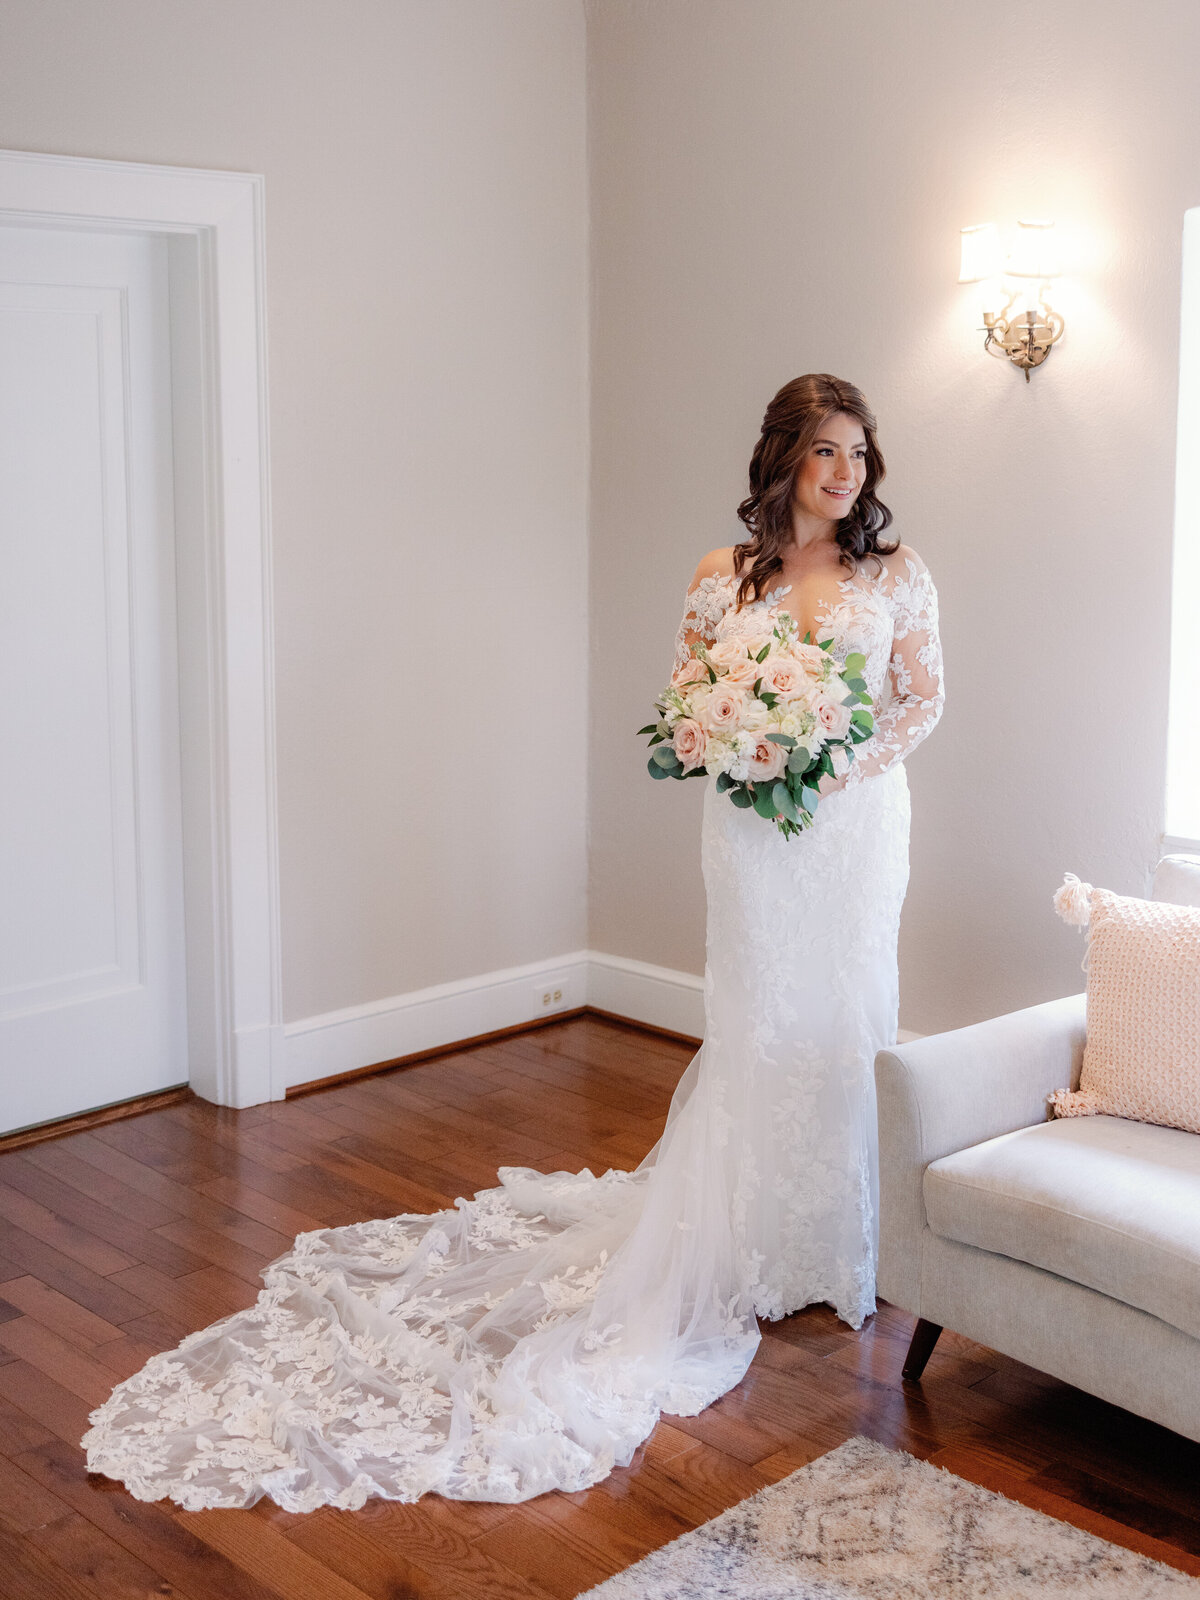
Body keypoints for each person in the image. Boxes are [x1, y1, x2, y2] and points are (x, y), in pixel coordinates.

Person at [82, 373, 943, 1512]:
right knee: (757, 1012)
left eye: (859, 455)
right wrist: (737, 741)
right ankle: (744, 1239)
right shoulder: (717, 575)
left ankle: (844, 1241)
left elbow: (919, 702)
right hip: (749, 834)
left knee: (844, 1014)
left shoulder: (895, 570)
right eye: (825, 452)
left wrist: (828, 765)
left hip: (852, 830)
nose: (846, 475)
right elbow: (688, 703)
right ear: (782, 458)